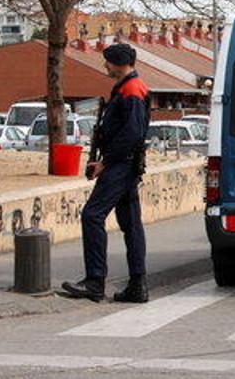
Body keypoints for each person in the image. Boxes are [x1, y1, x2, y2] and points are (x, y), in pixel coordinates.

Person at [62, 44, 151, 303]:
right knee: (131, 226)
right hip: (126, 164)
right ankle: (137, 284)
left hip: (121, 165)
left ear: (119, 62)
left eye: (108, 62)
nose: (105, 66)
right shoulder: (130, 87)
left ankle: (95, 281)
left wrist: (106, 162)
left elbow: (132, 133)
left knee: (92, 215)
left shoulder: (131, 89)